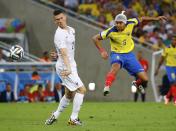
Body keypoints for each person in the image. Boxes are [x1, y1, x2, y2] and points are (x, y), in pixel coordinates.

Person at [92, 10, 167, 96]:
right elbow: (95, 38)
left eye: (120, 23)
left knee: (145, 79)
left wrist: (156, 19)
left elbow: (142, 19)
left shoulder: (130, 23)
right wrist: (102, 51)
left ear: (125, 23)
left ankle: (136, 84)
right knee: (115, 68)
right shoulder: (111, 31)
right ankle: (107, 87)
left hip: (129, 55)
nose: (118, 25)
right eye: (117, 23)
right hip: (117, 54)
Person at [45, 10, 86, 126]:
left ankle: (55, 115)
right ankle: (73, 119)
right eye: (57, 19)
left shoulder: (71, 30)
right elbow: (64, 53)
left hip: (71, 65)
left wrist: (56, 54)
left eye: (61, 18)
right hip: (65, 67)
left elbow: (67, 50)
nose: (59, 21)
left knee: (68, 94)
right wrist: (68, 68)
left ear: (65, 17)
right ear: (54, 21)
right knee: (81, 90)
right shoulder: (59, 34)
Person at [155, 35, 176, 105]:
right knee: (173, 83)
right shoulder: (167, 48)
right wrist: (157, 69)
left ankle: (167, 97)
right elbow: (161, 59)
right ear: (171, 41)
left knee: (173, 84)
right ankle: (175, 100)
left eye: (175, 40)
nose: (174, 41)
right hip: (170, 67)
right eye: (173, 40)